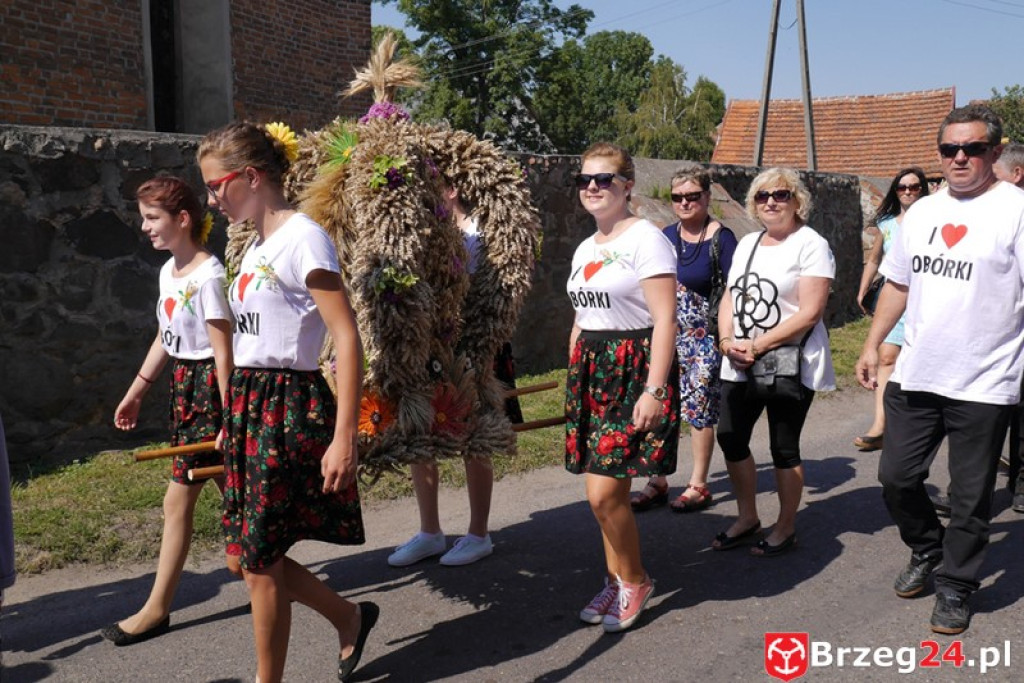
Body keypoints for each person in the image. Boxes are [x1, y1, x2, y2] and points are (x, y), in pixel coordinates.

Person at [198, 121, 376, 683]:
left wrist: (344, 435)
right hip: (252, 406)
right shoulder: (254, 245)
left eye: (216, 185)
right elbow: (250, 337)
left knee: (260, 560)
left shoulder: (304, 238)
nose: (211, 198)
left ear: (251, 177)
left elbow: (346, 337)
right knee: (243, 557)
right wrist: (233, 419)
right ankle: (348, 617)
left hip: (287, 407)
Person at [856, 104, 1024, 635]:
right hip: (918, 372)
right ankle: (927, 549)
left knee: (971, 496)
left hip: (987, 379)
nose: (958, 158)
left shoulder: (1016, 211)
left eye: (972, 148)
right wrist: (872, 342)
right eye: (948, 149)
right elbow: (900, 285)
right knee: (896, 477)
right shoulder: (923, 213)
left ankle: (956, 586)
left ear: (995, 153)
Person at [101, 176, 233, 646]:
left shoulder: (209, 276)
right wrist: (138, 389)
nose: (144, 228)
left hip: (209, 395)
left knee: (179, 500)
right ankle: (256, 553)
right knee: (231, 490)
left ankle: (157, 609)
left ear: (183, 220)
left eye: (153, 218)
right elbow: (167, 335)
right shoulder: (169, 273)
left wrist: (230, 416)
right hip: (182, 387)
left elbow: (222, 354)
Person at [565, 142, 680, 633]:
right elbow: (582, 314)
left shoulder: (646, 239)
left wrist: (654, 388)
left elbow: (665, 319)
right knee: (602, 491)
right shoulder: (586, 246)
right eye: (585, 180)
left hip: (632, 368)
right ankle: (614, 579)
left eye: (604, 179)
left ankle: (635, 579)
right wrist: (572, 367)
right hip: (592, 369)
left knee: (603, 494)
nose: (593, 187)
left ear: (627, 185)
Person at [386, 184, 523, 568]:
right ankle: (430, 531)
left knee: (475, 435)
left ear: (453, 188)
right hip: (430, 341)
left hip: (474, 342)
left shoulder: (485, 230)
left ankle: (478, 533)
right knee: (421, 430)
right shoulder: (423, 230)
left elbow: (498, 292)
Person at [713, 167, 835, 557]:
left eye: (780, 195)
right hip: (740, 358)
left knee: (784, 446)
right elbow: (731, 297)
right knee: (730, 436)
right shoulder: (748, 243)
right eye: (763, 196)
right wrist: (727, 339)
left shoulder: (810, 244)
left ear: (797, 200)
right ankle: (747, 516)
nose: (770, 202)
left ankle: (785, 526)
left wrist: (759, 344)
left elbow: (810, 311)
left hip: (788, 359)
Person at [631, 164, 736, 513]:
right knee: (660, 402)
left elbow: (733, 291)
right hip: (667, 334)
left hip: (704, 338)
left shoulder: (722, 238)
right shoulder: (665, 236)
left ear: (706, 197)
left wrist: (727, 336)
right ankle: (657, 479)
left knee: (700, 410)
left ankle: (699, 483)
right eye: (678, 197)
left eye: (693, 196)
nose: (685, 203)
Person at [853, 168, 931, 452]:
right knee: (886, 356)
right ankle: (880, 425)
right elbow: (874, 260)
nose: (908, 192)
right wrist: (863, 288)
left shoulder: (933, 221)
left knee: (917, 362)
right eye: (902, 188)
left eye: (914, 187)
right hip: (894, 297)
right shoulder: (887, 224)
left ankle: (916, 426)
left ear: (923, 189)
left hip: (924, 300)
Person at [993, 142, 1024, 512]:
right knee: (982, 410)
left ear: (1016, 175)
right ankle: (968, 488)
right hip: (992, 331)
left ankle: (1021, 481)